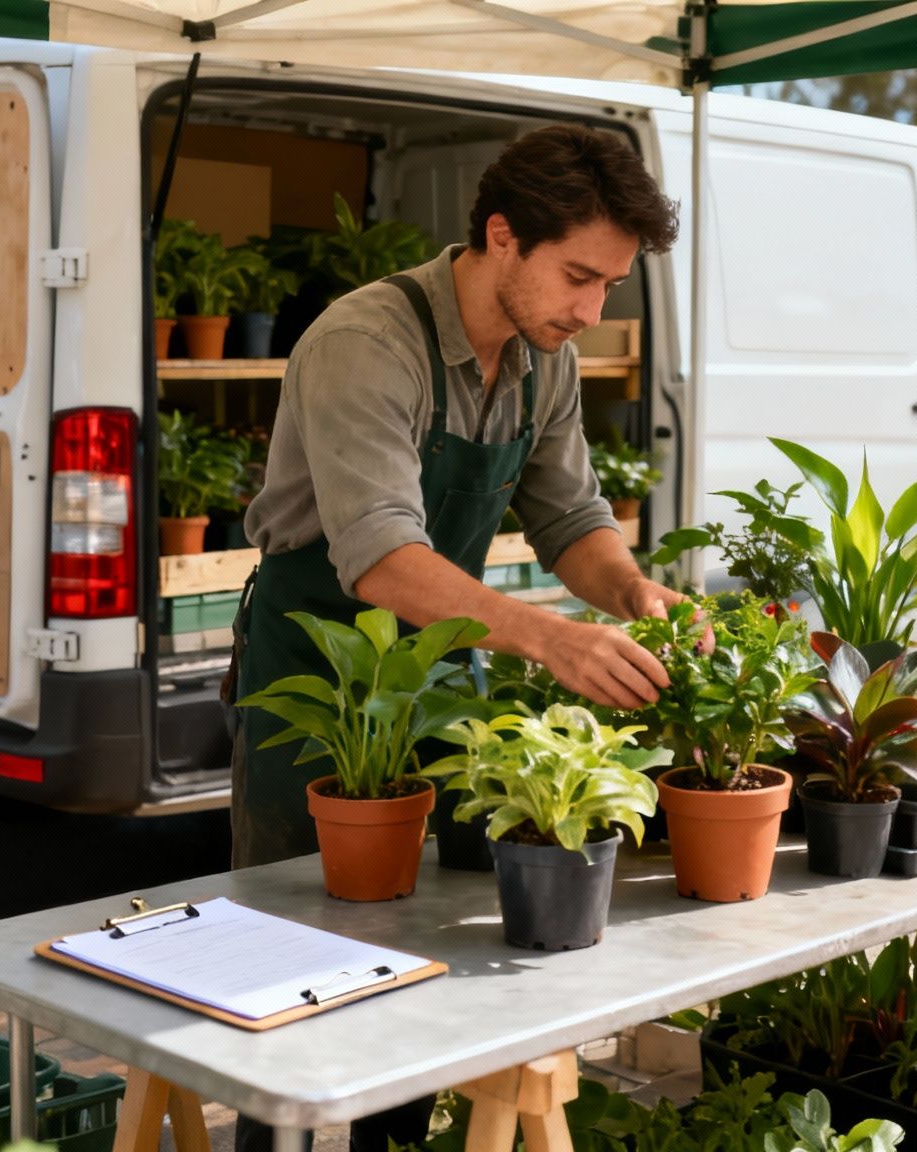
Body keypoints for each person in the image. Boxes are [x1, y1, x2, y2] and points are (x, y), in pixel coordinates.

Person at [220, 123, 686, 1152]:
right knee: (290, 968)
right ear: (501, 236)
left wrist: (633, 594)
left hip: (436, 671)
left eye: (608, 287)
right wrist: (549, 641)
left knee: (416, 963)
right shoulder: (364, 342)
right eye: (577, 277)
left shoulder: (539, 356)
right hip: (317, 674)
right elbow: (381, 558)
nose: (589, 309)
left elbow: (570, 524)